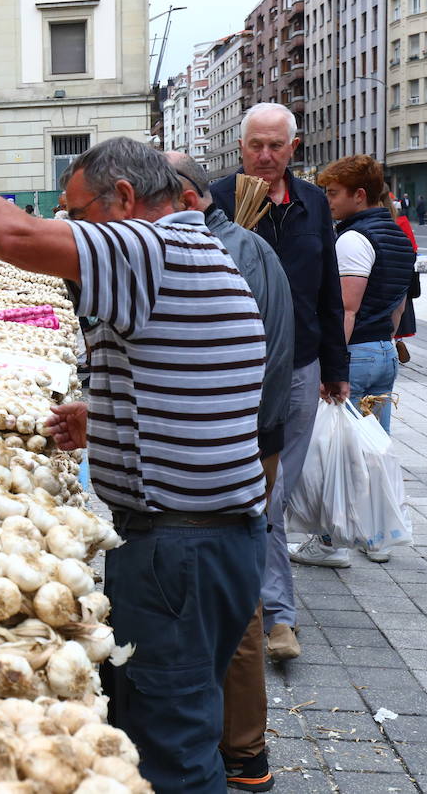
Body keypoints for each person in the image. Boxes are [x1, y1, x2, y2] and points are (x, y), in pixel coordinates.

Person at [0, 133, 267, 792]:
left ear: (127, 198)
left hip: (181, 548)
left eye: (76, 215)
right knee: (175, 717)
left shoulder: (150, 246)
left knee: (173, 744)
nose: (68, 230)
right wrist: (106, 418)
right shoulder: (198, 250)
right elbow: (193, 383)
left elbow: (16, 238)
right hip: (216, 538)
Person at [168, 152, 293, 794]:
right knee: (228, 592)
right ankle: (232, 745)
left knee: (232, 599)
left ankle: (241, 751)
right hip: (245, 440)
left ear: (186, 200)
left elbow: (248, 365)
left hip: (235, 447)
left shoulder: (224, 255)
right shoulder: (244, 244)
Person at [209, 102, 348, 663]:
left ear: (294, 147)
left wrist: (336, 367)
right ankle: (275, 615)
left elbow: (328, 286)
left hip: (301, 365)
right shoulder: (217, 200)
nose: (264, 157)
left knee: (273, 491)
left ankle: (261, 605)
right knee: (259, 491)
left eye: (275, 146)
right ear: (240, 147)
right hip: (238, 368)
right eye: (254, 146)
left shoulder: (313, 202)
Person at [289, 156, 416, 571]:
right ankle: (377, 538)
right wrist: (388, 340)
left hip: (355, 352)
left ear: (359, 195)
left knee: (337, 453)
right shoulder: (398, 237)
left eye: (333, 194)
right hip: (383, 350)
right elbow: (399, 304)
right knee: (373, 451)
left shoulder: (353, 239)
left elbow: (345, 307)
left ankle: (331, 542)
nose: (327, 202)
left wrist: (334, 366)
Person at [384, 190, 420, 365]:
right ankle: (398, 341)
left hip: (378, 271)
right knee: (399, 309)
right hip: (400, 272)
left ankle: (386, 346)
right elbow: (412, 248)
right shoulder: (402, 222)